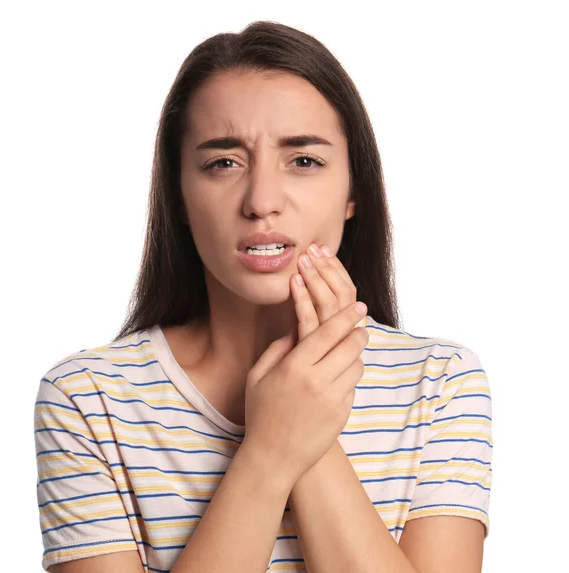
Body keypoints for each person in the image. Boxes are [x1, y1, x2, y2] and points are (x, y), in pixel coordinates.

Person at [33, 20, 493, 573]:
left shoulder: (441, 382)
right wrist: (271, 451)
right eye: (223, 162)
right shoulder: (87, 399)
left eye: (304, 160)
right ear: (178, 194)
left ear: (354, 192)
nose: (262, 201)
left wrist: (309, 416)